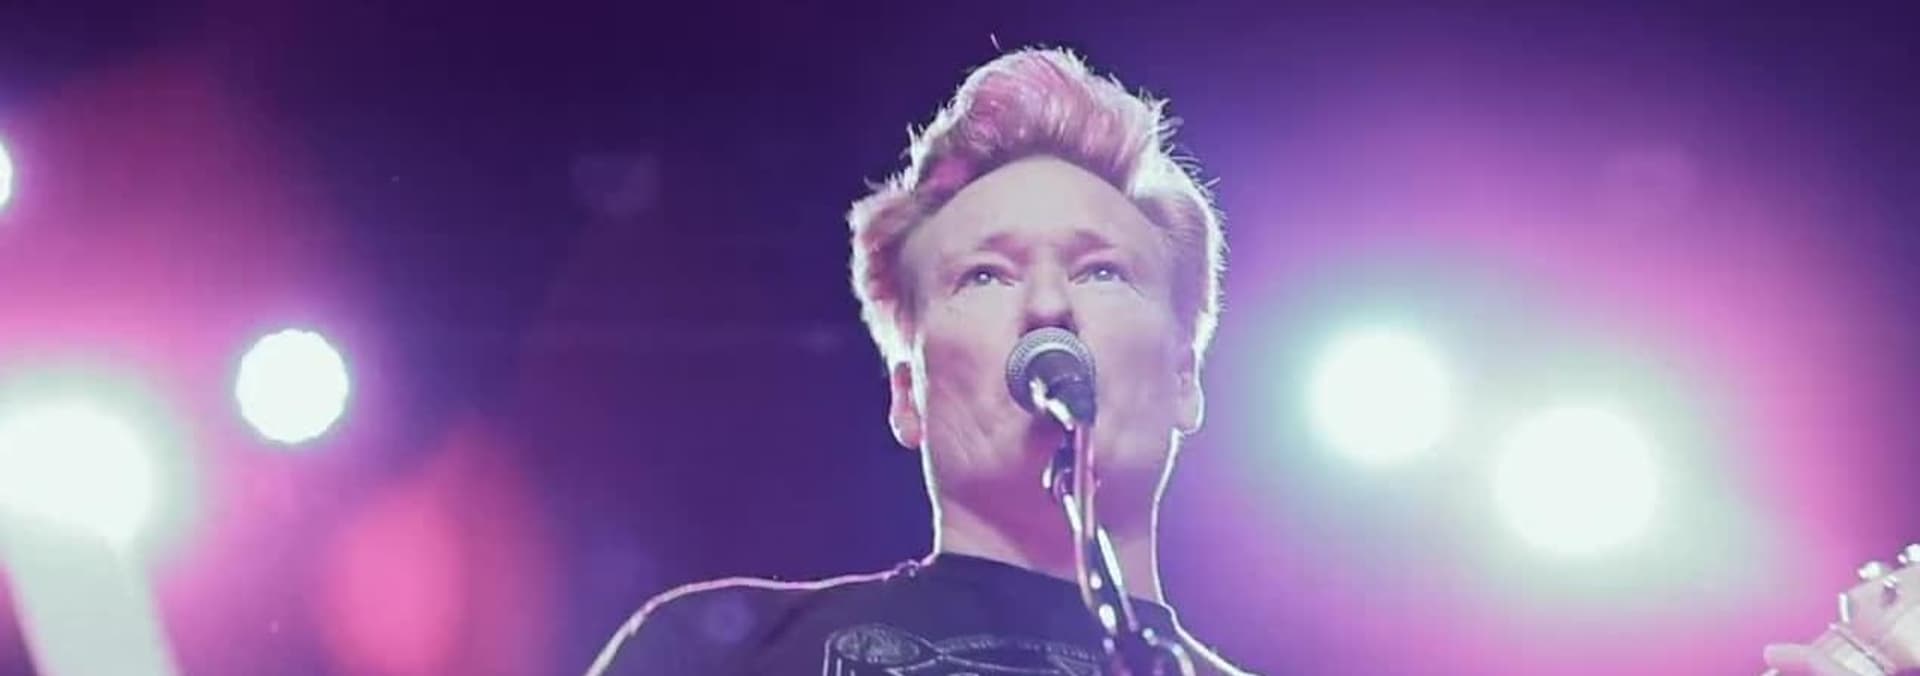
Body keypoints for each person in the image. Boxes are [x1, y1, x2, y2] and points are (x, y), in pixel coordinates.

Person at [588, 46, 1248, 675]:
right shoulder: (718, 651)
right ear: (909, 396)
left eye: (1101, 271)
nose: (1048, 305)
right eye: (986, 275)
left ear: (1183, 379)